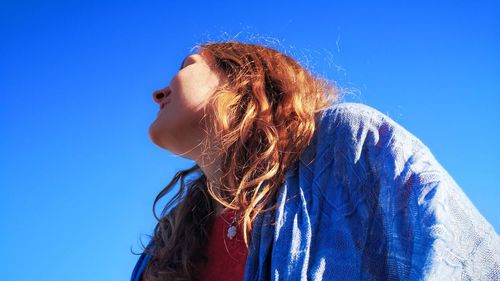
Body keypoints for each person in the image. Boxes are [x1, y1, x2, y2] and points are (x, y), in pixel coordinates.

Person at [131, 41, 499, 281]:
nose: (158, 91)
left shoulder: (347, 145)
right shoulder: (163, 249)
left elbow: (459, 259)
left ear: (239, 79)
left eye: (187, 65)